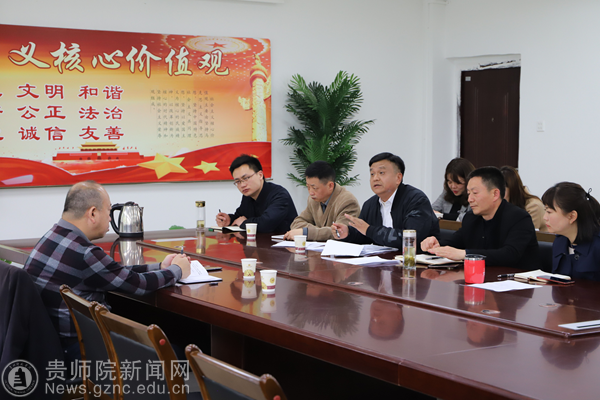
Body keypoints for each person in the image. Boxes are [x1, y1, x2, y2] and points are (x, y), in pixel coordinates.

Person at [24, 181, 191, 363]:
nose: (110, 219)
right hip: (82, 351)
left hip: (53, 346)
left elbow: (113, 272)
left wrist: (159, 267)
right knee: (179, 354)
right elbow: (137, 285)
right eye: (109, 211)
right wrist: (177, 271)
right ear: (93, 213)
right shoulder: (85, 252)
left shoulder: (52, 236)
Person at [421, 166, 539, 269]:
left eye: (475, 193)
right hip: (482, 279)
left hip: (518, 283)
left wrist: (465, 254)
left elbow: (510, 254)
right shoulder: (471, 218)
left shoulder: (519, 218)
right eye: (468, 193)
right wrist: (436, 245)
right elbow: (455, 242)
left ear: (495, 194)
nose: (469, 199)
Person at [332, 152, 439, 248]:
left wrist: (370, 230)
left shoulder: (416, 200)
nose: (375, 178)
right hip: (383, 260)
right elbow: (364, 236)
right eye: (372, 174)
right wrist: (347, 233)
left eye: (381, 173)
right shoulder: (370, 204)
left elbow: (410, 238)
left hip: (415, 261)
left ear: (398, 178)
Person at [216, 154, 297, 233]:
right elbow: (240, 216)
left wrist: (244, 223)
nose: (242, 185)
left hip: (284, 241)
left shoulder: (279, 195)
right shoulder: (248, 196)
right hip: (258, 241)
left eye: (246, 178)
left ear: (260, 175)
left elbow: (266, 224)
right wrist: (229, 220)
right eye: (238, 181)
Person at [284, 161, 360, 241]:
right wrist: (320, 232)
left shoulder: (348, 201)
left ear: (330, 186)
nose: (311, 192)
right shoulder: (313, 199)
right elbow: (297, 222)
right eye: (308, 187)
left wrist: (307, 232)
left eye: (314, 188)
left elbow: (340, 232)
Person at [542, 182, 600, 281]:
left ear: (572, 216)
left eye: (549, 212)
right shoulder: (559, 242)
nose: (545, 217)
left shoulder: (597, 245)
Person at [500, 165, 547, 232]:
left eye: (501, 191)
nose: (497, 196)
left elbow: (523, 234)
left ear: (512, 189)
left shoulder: (533, 206)